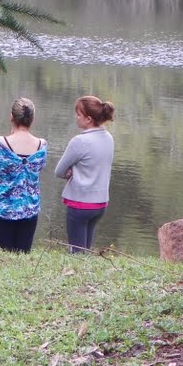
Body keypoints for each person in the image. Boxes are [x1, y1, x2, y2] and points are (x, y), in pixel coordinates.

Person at [0, 97, 47, 253]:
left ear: (11, 117)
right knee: (23, 255)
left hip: (2, 207)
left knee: (2, 254)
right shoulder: (42, 145)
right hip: (29, 207)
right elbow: (38, 168)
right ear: (32, 119)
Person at [54, 95, 115, 254]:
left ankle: (77, 268)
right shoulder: (109, 138)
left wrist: (70, 172)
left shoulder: (79, 141)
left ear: (88, 119)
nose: (76, 117)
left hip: (80, 204)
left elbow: (59, 171)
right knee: (85, 250)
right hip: (100, 204)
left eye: (78, 114)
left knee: (77, 252)